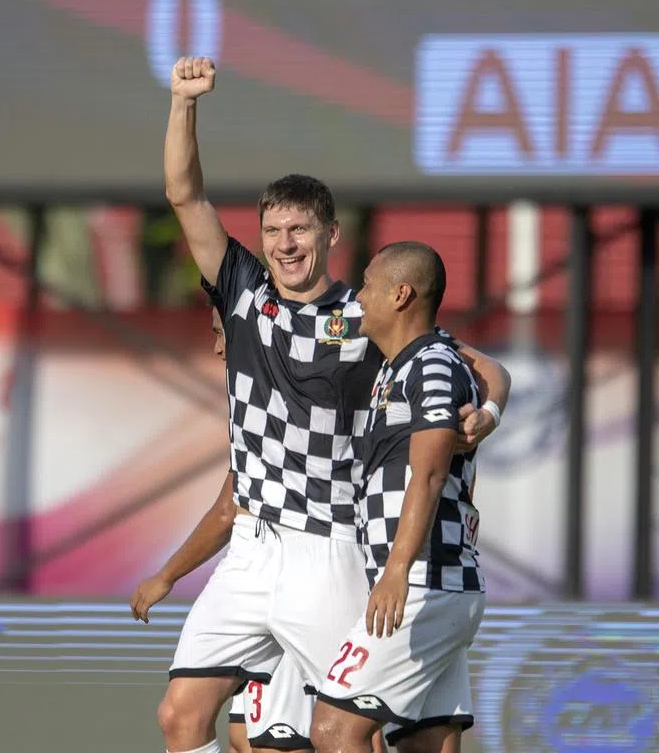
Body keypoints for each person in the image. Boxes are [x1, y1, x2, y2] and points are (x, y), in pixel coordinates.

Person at [149, 56, 511, 753]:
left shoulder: (366, 315)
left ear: (330, 236)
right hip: (252, 547)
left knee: (352, 733)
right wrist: (183, 103)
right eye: (273, 231)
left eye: (300, 231)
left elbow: (486, 370)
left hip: (329, 545)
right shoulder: (242, 292)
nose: (285, 245)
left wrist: (487, 414)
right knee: (179, 715)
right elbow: (183, 195)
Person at [131, 285, 387, 753]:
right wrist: (167, 575)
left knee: (340, 731)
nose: (217, 346)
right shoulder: (252, 407)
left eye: (221, 332)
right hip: (254, 560)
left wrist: (488, 408)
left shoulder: (337, 343)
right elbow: (230, 505)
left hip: (320, 558)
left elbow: (462, 357)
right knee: (205, 722)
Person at [310, 242, 485, 753]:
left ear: (401, 294)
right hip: (431, 583)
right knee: (425, 743)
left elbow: (428, 475)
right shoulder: (397, 366)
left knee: (334, 729)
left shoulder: (432, 364)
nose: (359, 297)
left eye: (367, 285)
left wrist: (396, 571)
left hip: (426, 581)